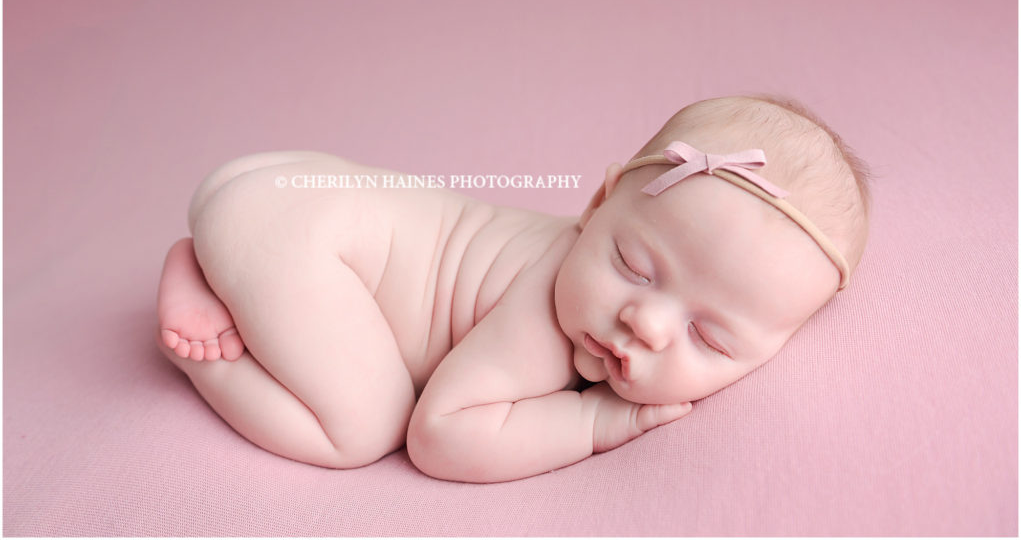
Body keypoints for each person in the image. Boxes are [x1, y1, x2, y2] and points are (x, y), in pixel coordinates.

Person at [157, 94, 870, 482]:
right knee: (362, 431)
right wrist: (595, 424)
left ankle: (225, 262)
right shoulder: (542, 316)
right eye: (632, 266)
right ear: (596, 204)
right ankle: (205, 337)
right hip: (297, 235)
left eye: (707, 336)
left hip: (291, 183)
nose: (644, 323)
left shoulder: (604, 250)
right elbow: (441, 437)